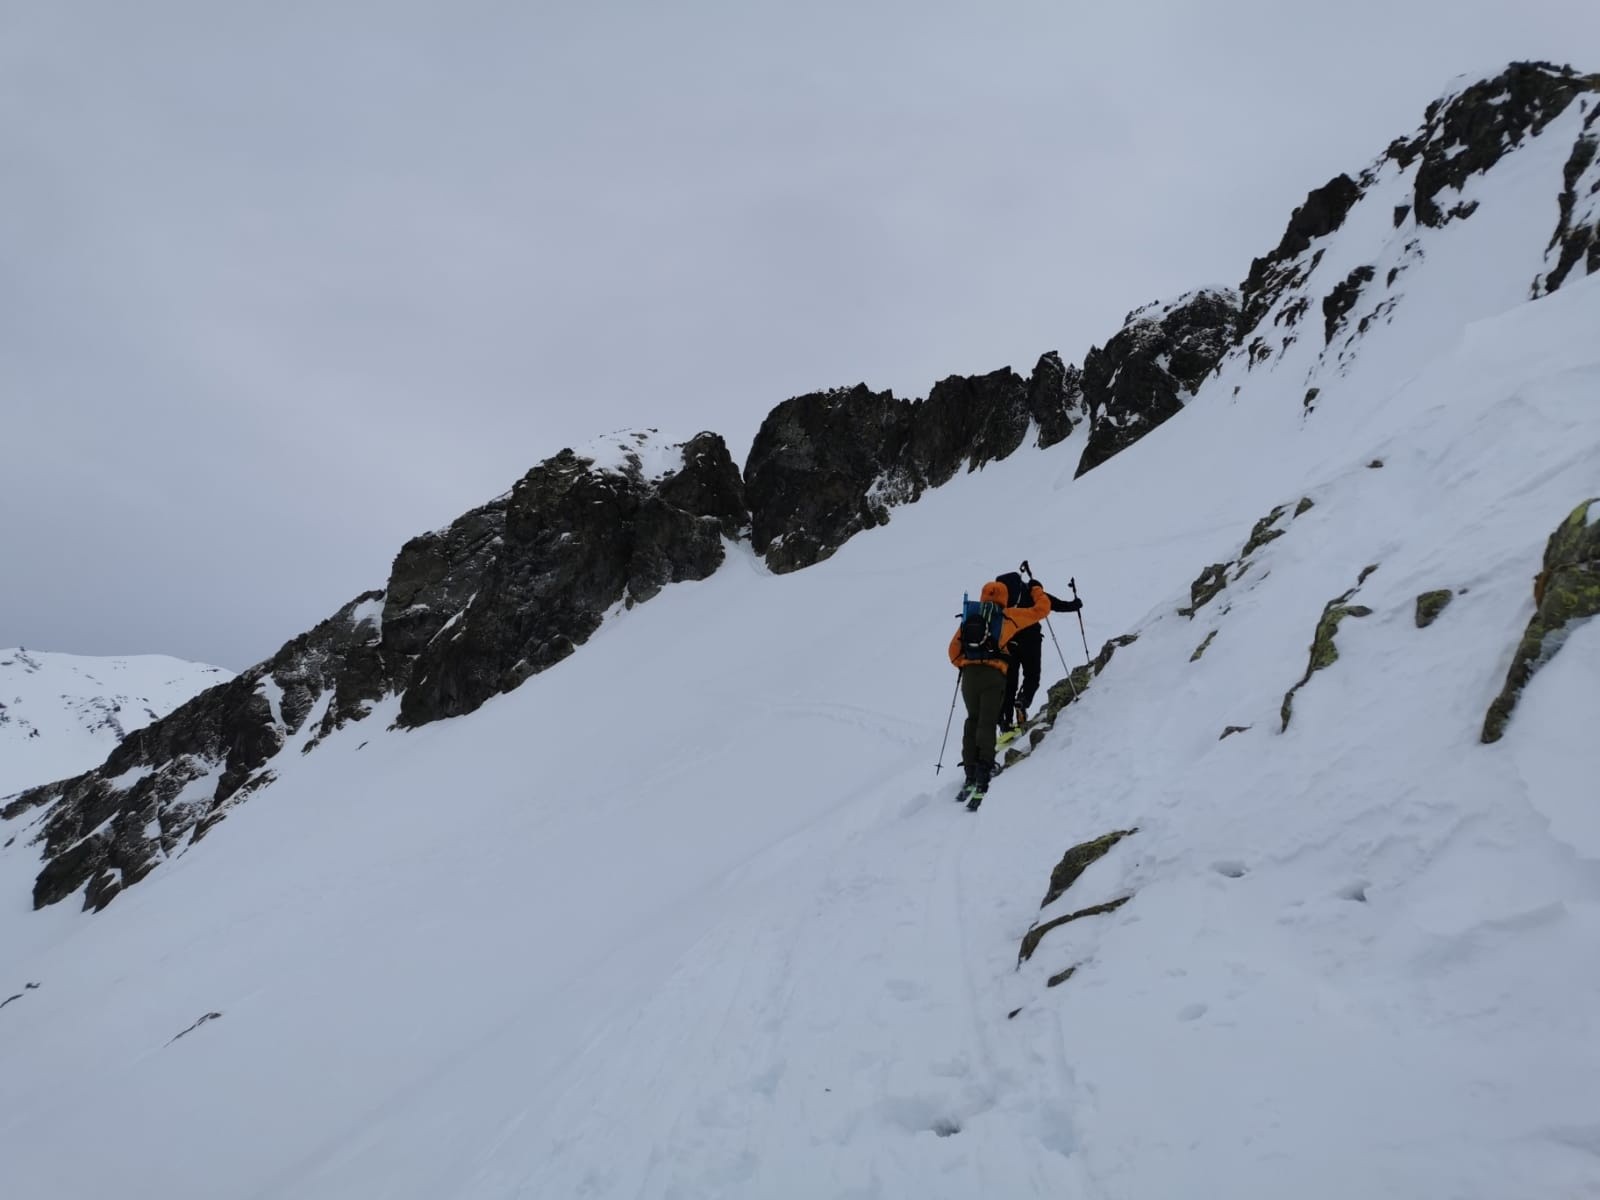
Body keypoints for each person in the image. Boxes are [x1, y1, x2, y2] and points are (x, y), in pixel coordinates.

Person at [948, 578, 1053, 797]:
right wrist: (1036, 589)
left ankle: (970, 771)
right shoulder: (1008, 617)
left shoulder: (970, 616)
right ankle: (985, 769)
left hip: (969, 677)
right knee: (987, 723)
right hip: (993, 676)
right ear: (1005, 598)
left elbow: (953, 652)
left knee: (972, 720)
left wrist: (967, 664)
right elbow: (1042, 610)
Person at [993, 571, 1082, 732]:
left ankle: (1005, 723)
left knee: (1009, 683)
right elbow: (1051, 604)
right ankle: (1023, 700)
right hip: (1031, 642)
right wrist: (1074, 605)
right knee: (1032, 676)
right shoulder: (1030, 590)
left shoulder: (1000, 597)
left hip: (1007, 644)